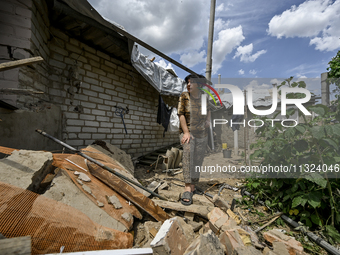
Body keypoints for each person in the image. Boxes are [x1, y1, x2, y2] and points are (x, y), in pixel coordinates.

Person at [178, 74, 210, 205]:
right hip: (188, 132)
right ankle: (187, 186)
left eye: (192, 83)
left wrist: (208, 120)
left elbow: (208, 110)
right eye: (188, 83)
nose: (189, 85)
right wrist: (186, 132)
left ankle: (193, 185)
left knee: (198, 158)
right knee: (188, 154)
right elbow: (181, 114)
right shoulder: (184, 96)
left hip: (202, 133)